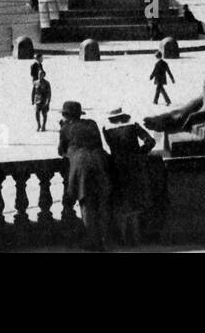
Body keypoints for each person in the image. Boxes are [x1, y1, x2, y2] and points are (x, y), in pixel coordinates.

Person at [58, 102, 111, 251]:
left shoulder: (65, 128)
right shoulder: (92, 124)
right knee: (102, 201)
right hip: (100, 161)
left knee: (86, 202)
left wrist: (62, 129)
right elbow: (99, 144)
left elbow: (61, 151)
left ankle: (93, 241)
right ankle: (106, 239)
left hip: (82, 166)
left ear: (66, 115)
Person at [103, 108, 156, 246]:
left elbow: (107, 151)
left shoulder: (106, 131)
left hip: (117, 169)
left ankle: (124, 240)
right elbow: (151, 142)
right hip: (135, 168)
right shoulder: (133, 127)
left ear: (111, 119)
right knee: (136, 203)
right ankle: (137, 239)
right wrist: (139, 153)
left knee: (121, 204)